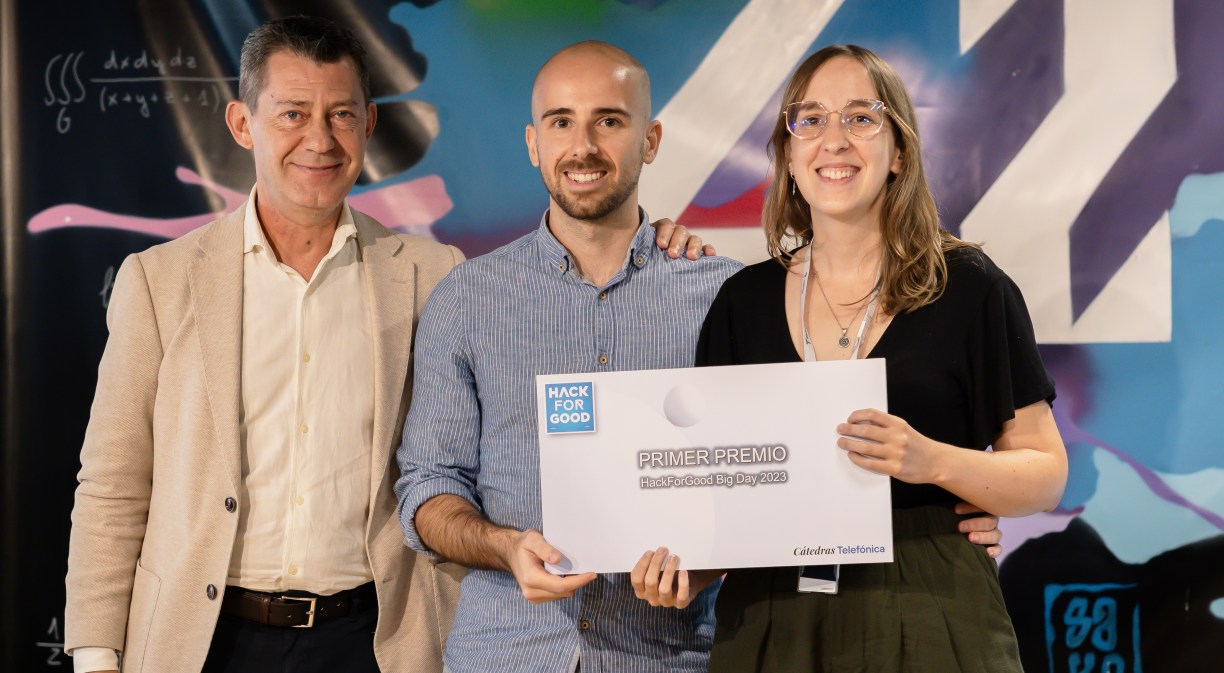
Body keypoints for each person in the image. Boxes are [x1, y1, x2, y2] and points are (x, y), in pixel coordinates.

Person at [60, 17, 706, 673]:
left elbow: (441, 466)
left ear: (368, 126)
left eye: (341, 114)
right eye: (292, 114)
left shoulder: (434, 276)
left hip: (371, 641)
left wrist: (662, 251)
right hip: (200, 641)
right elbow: (112, 486)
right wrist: (95, 656)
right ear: (241, 123)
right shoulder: (160, 282)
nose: (319, 139)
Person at [395, 41, 1005, 673]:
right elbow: (428, 486)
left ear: (651, 140)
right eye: (560, 122)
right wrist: (503, 546)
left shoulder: (727, 295)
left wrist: (936, 517)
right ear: (532, 143)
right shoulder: (466, 299)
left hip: (668, 655)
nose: (583, 147)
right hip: (507, 652)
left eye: (610, 120)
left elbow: (794, 470)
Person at [632, 44, 1068, 673]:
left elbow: (1045, 474)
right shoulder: (742, 301)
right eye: (810, 120)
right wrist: (688, 571)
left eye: (861, 118)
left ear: (900, 152)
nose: (833, 140)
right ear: (788, 155)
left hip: (929, 598)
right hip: (771, 608)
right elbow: (724, 493)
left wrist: (932, 461)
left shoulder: (970, 287)